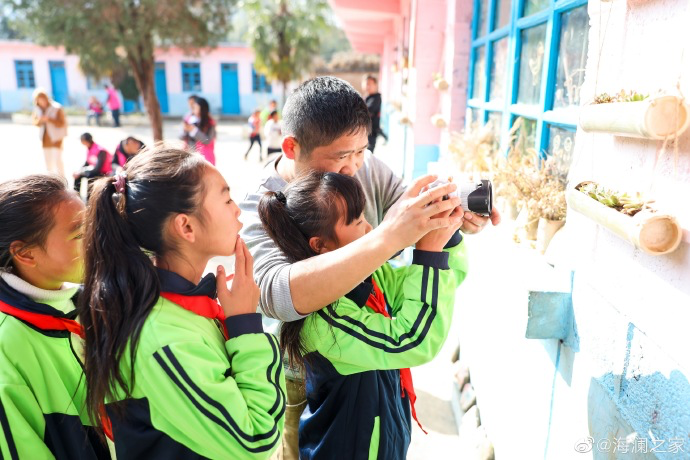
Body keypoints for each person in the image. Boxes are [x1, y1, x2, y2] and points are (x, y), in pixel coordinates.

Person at [240, 76, 500, 459]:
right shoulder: (258, 203)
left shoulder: (359, 164)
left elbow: (408, 220)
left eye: (361, 151)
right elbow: (278, 295)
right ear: (292, 147)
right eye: (343, 156)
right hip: (308, 383)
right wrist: (394, 236)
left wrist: (449, 219)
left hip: (375, 371)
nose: (355, 167)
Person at [79, 147, 285, 459]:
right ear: (186, 227)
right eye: (227, 199)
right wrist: (245, 327)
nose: (237, 211)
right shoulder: (163, 338)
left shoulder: (181, 304)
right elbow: (256, 439)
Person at [259, 171, 467, 459]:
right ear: (320, 245)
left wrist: (447, 231)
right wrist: (428, 255)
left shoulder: (370, 275)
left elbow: (440, 284)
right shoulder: (324, 323)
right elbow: (411, 340)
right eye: (357, 221)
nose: (371, 228)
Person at [0, 175, 111, 459]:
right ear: (24, 253)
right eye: (78, 233)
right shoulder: (8, 343)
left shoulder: (88, 303)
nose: (95, 238)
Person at [31, 88, 67, 177]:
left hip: (56, 138)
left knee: (57, 160)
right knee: (48, 162)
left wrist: (49, 119)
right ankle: (51, 181)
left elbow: (62, 123)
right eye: (40, 100)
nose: (42, 102)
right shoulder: (37, 109)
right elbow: (35, 123)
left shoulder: (57, 107)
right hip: (45, 138)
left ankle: (62, 180)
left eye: (43, 99)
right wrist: (40, 120)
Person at [74, 133, 113, 199]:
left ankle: (89, 199)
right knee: (77, 176)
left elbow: (98, 168)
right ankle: (76, 197)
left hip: (102, 173)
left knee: (90, 176)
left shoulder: (100, 150)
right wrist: (79, 171)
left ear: (85, 141)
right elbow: (87, 163)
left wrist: (83, 171)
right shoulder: (89, 148)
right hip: (93, 170)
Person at [180, 96, 217, 165]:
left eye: (196, 108)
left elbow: (207, 141)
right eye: (194, 108)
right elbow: (181, 137)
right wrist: (185, 130)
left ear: (203, 109)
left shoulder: (210, 123)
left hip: (205, 158)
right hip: (190, 156)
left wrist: (194, 130)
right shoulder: (189, 119)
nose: (194, 110)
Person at [362, 75, 382, 153]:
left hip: (370, 135)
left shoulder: (376, 98)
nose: (368, 86)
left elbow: (365, 113)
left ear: (375, 85)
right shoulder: (367, 98)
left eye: (370, 83)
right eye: (366, 84)